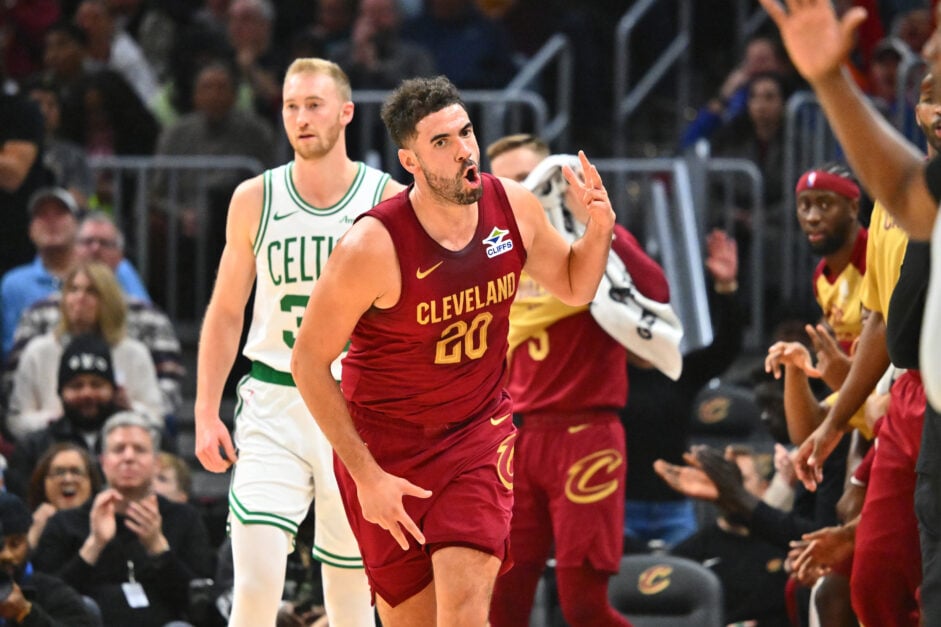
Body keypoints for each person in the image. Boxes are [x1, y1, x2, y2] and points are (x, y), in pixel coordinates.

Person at [289, 75, 615, 625]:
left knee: (463, 612)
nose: (464, 149)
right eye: (441, 141)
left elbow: (574, 284)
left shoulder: (512, 207)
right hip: (385, 451)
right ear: (410, 161)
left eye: (465, 132)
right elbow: (307, 363)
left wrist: (599, 228)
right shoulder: (371, 246)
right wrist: (368, 477)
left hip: (475, 437)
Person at [193, 57, 403, 627]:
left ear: (345, 112)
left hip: (352, 410)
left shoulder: (386, 199)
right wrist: (205, 410)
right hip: (273, 399)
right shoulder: (254, 198)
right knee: (256, 589)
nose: (302, 118)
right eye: (291, 106)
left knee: (349, 601)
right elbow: (226, 310)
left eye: (314, 104)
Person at [485, 133, 668, 626]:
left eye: (528, 179)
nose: (518, 193)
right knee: (501, 607)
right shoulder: (493, 254)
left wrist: (600, 223)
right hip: (513, 441)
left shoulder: (592, 246)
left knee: (584, 608)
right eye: (505, 184)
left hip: (586, 436)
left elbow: (657, 294)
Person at [32, 411, 214, 627]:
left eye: (139, 449)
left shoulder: (184, 517)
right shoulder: (67, 522)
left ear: (156, 463)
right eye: (118, 449)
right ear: (103, 462)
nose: (129, 457)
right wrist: (94, 545)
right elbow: (46, 601)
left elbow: (202, 605)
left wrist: (158, 549)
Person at [7, 262, 164, 441]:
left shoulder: (134, 353)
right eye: (73, 290)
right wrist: (57, 418)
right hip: (51, 447)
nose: (79, 298)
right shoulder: (38, 351)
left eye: (91, 291)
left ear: (109, 300)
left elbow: (156, 419)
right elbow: (16, 422)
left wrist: (129, 408)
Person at [670, 446, 791, 627]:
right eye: (726, 483)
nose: (732, 491)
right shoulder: (687, 555)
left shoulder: (786, 546)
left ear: (763, 488)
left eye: (741, 481)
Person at [6, 332, 123, 499]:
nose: (87, 393)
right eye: (76, 385)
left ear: (114, 390)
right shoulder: (32, 449)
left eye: (96, 384)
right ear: (60, 392)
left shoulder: (141, 443)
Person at [0, 187, 80, 358]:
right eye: (42, 215)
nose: (51, 221)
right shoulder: (13, 284)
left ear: (77, 224)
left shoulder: (105, 273)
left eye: (60, 213)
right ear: (30, 230)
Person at [0, 491, 100, 626]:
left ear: (27, 541)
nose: (7, 555)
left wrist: (26, 613)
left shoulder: (54, 593)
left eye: (15, 544)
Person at [25, 443, 102, 550]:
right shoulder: (27, 525)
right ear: (43, 482)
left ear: (91, 482)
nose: (68, 479)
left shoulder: (105, 525)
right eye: (59, 472)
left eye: (76, 472)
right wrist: (33, 535)